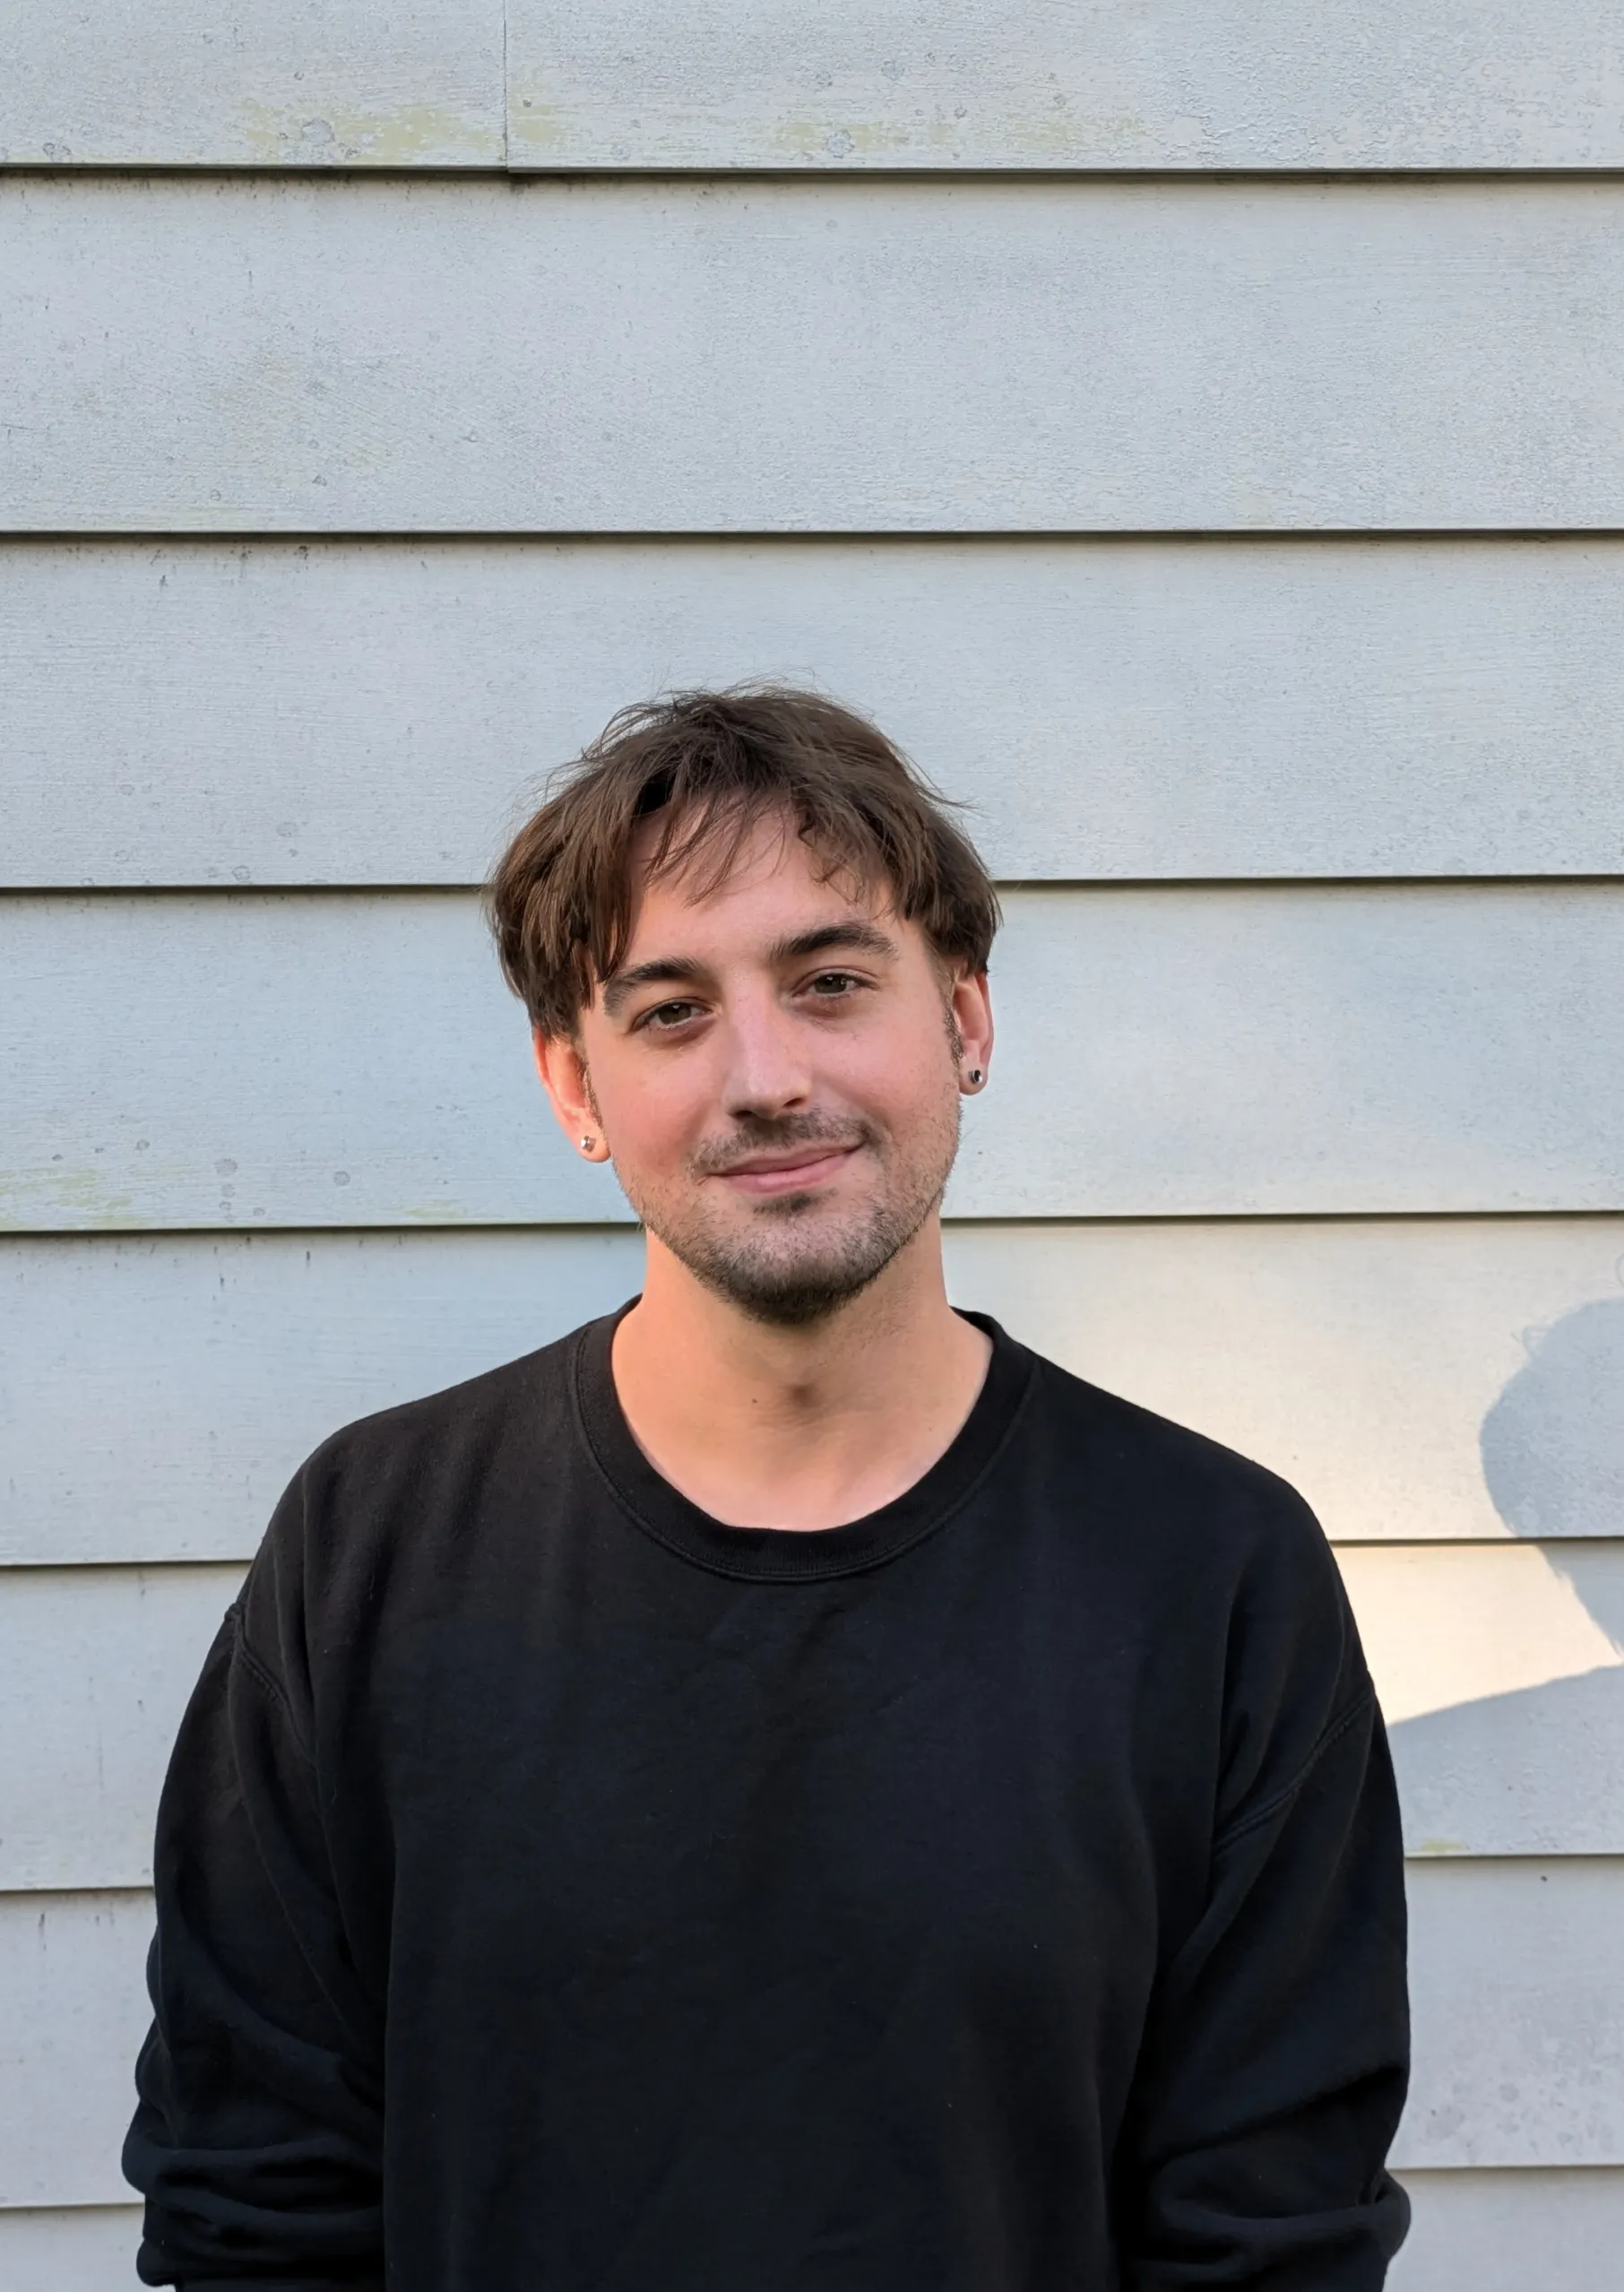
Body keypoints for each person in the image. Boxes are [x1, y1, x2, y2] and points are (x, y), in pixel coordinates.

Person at [123, 687, 1411, 2289]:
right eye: (668, 1011)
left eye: (832, 983)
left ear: (966, 1020)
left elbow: (1269, 2235)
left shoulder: (1210, 1573)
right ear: (574, 1089)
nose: (766, 1076)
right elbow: (254, 2200)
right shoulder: (372, 1550)